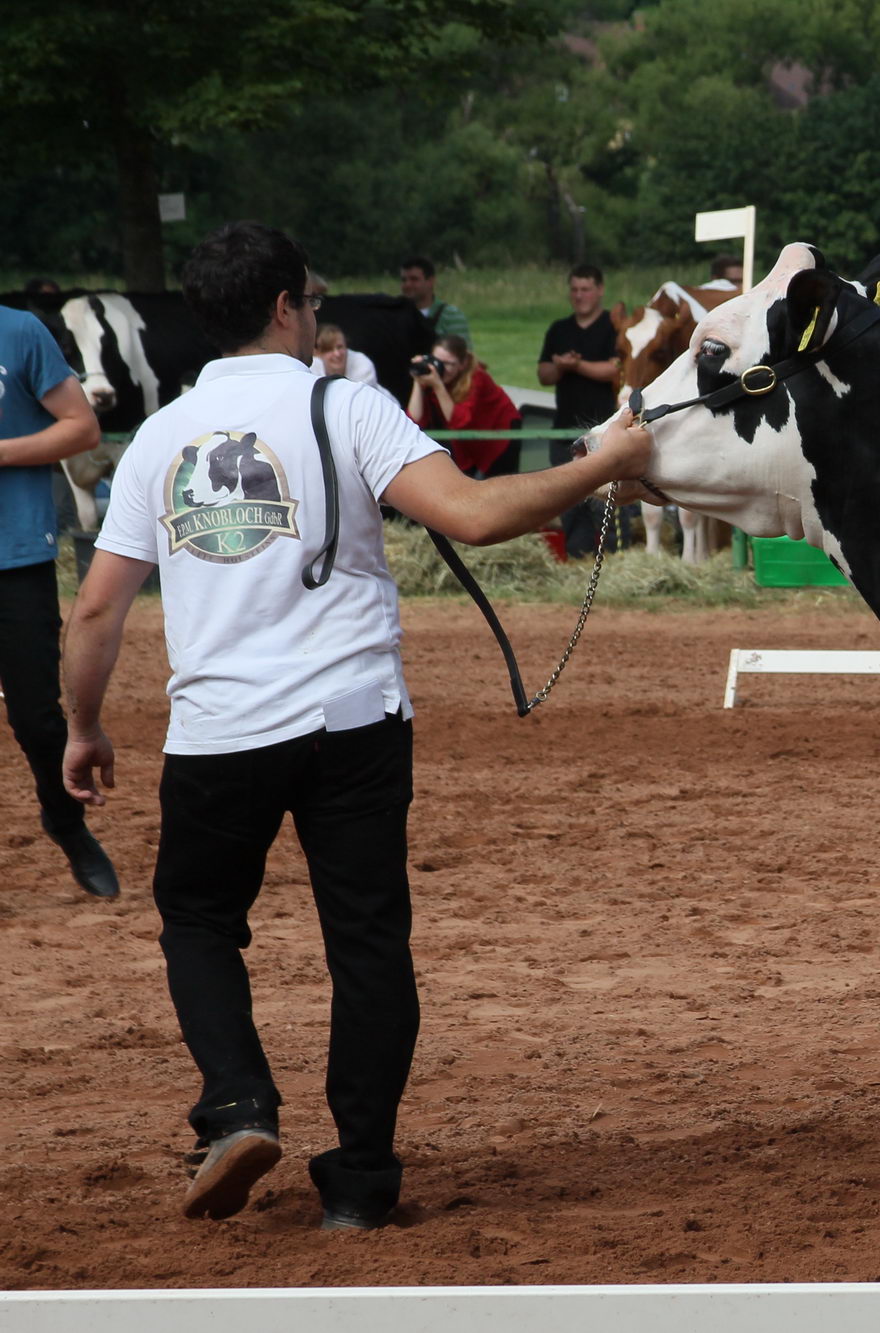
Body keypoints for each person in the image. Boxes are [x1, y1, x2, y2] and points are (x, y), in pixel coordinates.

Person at [60, 219, 654, 1231]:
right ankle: (362, 1180)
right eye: (312, 299)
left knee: (199, 922)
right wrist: (607, 462)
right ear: (284, 306)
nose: (316, 314)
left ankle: (237, 1106)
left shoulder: (162, 435)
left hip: (219, 729)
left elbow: (95, 611)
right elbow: (473, 515)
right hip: (353, 721)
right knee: (367, 941)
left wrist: (83, 726)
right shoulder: (345, 405)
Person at [0, 305, 120, 900]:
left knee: (36, 717)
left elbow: (81, 429)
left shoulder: (19, 331)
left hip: (14, 551)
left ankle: (66, 822)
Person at [536, 265, 624, 557]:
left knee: (606, 503)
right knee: (569, 504)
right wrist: (561, 367)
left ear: (600, 290)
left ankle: (613, 559)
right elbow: (543, 374)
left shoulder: (613, 327)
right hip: (564, 429)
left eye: (585, 289)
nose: (579, 295)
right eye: (574, 289)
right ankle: (576, 560)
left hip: (604, 430)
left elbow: (616, 370)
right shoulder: (559, 329)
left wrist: (577, 365)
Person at [405, 335, 517, 478]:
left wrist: (438, 386)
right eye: (436, 361)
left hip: (499, 437)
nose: (440, 368)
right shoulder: (433, 376)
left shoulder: (476, 378)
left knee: (494, 484)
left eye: (448, 364)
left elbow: (459, 421)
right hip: (466, 440)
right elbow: (414, 420)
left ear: (463, 364)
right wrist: (417, 379)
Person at [399, 255, 471, 347]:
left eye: (414, 279)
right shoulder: (394, 314)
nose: (407, 284)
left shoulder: (451, 316)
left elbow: (462, 353)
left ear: (431, 281)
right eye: (404, 280)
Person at [310, 324, 380, 390]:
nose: (337, 354)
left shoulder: (363, 365)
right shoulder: (312, 368)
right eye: (329, 349)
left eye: (340, 347)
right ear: (317, 353)